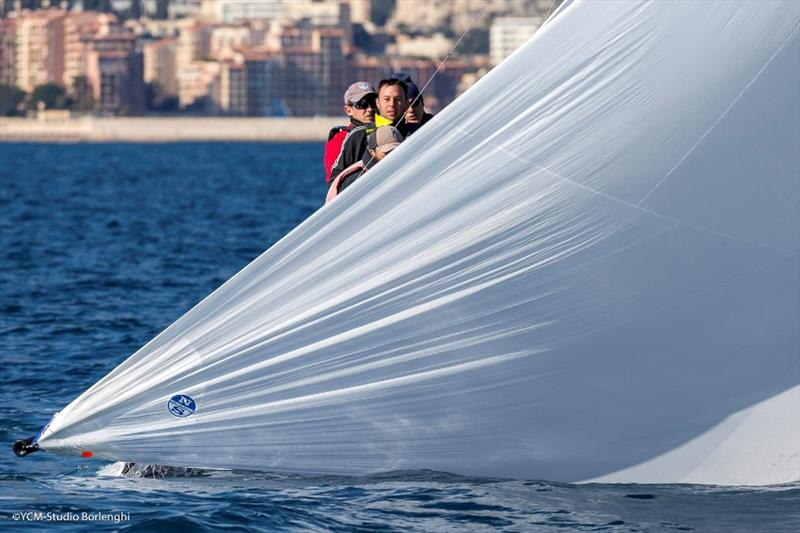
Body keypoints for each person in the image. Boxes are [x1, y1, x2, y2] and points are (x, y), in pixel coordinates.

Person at [326, 125, 404, 204]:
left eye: (396, 151)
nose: (392, 155)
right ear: (372, 152)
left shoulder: (402, 171)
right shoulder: (355, 180)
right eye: (387, 152)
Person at [323, 82, 377, 183]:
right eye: (362, 104)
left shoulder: (385, 131)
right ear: (348, 110)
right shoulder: (339, 140)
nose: (370, 109)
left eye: (373, 103)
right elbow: (334, 181)